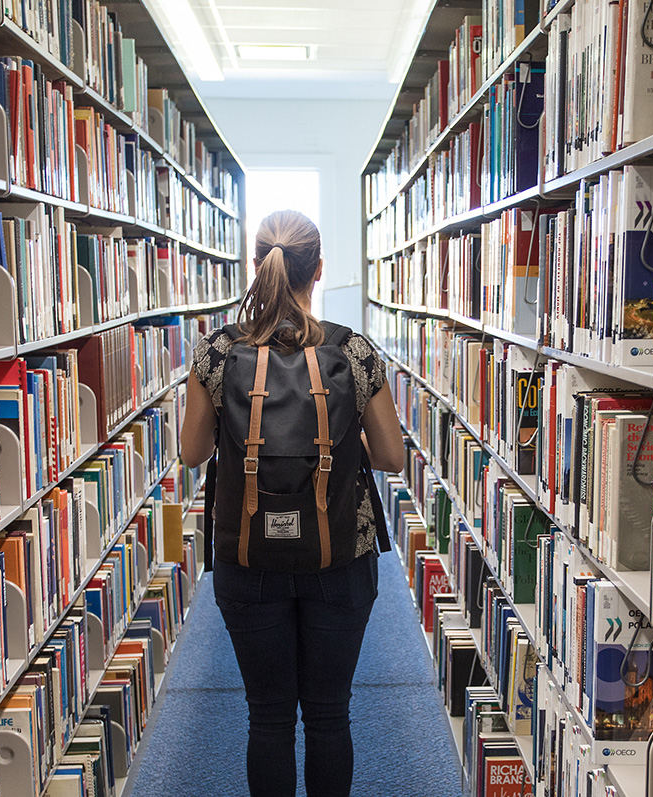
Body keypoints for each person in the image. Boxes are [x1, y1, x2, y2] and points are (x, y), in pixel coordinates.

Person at [179, 209, 405, 797]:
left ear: (256, 267)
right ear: (319, 270)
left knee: (268, 716)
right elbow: (391, 457)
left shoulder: (214, 354)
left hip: (247, 555)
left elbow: (191, 453)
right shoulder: (355, 353)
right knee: (329, 713)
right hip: (340, 556)